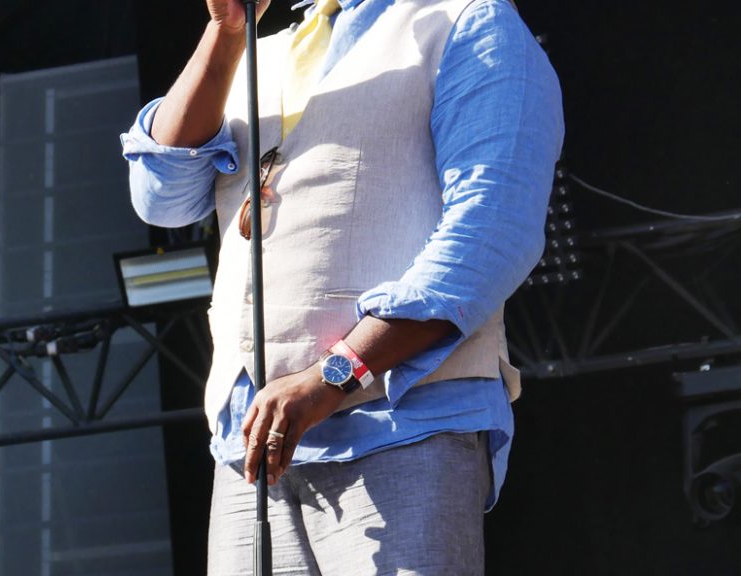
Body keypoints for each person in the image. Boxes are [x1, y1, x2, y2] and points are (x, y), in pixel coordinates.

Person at [121, 0, 563, 573]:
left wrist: (334, 375)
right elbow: (161, 198)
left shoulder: (466, 20)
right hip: (253, 446)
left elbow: (493, 232)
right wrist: (227, 32)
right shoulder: (255, 55)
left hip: (404, 422)